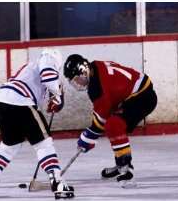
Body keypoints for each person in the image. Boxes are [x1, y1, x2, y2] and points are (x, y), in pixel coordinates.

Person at [0, 48, 74, 199]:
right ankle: (57, 182)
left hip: (1, 102)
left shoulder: (31, 67)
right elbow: (49, 78)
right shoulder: (48, 59)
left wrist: (53, 98)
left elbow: (42, 93)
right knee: (44, 143)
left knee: (10, 145)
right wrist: (58, 95)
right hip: (20, 102)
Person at [63, 54, 157, 187]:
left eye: (77, 79)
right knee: (113, 122)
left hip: (142, 97)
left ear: (84, 71)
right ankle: (120, 164)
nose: (77, 84)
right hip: (137, 93)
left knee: (113, 125)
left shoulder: (97, 88)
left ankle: (126, 170)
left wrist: (87, 137)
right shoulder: (95, 65)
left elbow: (100, 122)